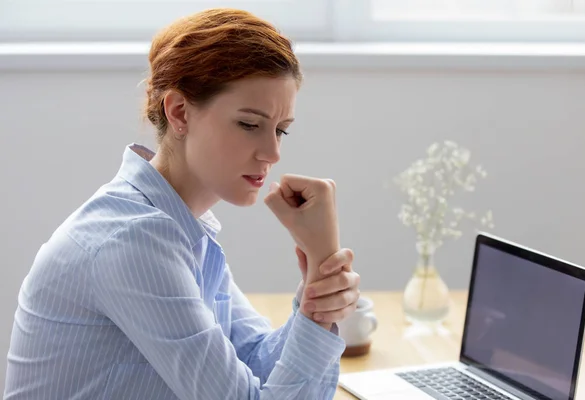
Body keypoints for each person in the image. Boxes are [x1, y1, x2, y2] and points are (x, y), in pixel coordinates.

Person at [3, 8, 361, 400]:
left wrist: (318, 285)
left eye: (281, 130)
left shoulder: (183, 231)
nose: (272, 152)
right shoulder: (133, 240)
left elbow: (255, 363)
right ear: (179, 112)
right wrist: (317, 303)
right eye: (249, 124)